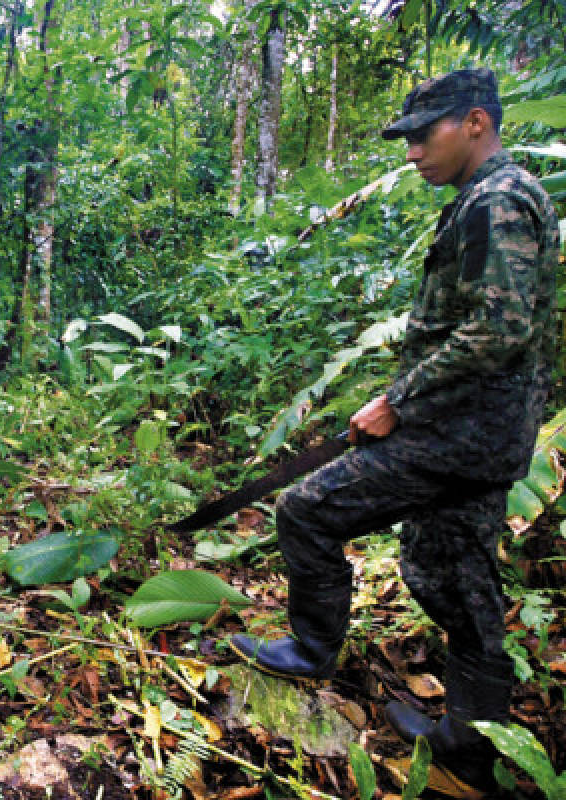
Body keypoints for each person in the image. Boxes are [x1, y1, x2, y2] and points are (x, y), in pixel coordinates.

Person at [228, 68, 558, 794]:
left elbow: (497, 330)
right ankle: (470, 740)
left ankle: (313, 650)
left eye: (422, 133)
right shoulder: (504, 193)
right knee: (454, 575)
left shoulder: (496, 202)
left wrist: (398, 401)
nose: (411, 152)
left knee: (307, 510)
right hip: (482, 433)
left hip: (454, 435)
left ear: (475, 122)